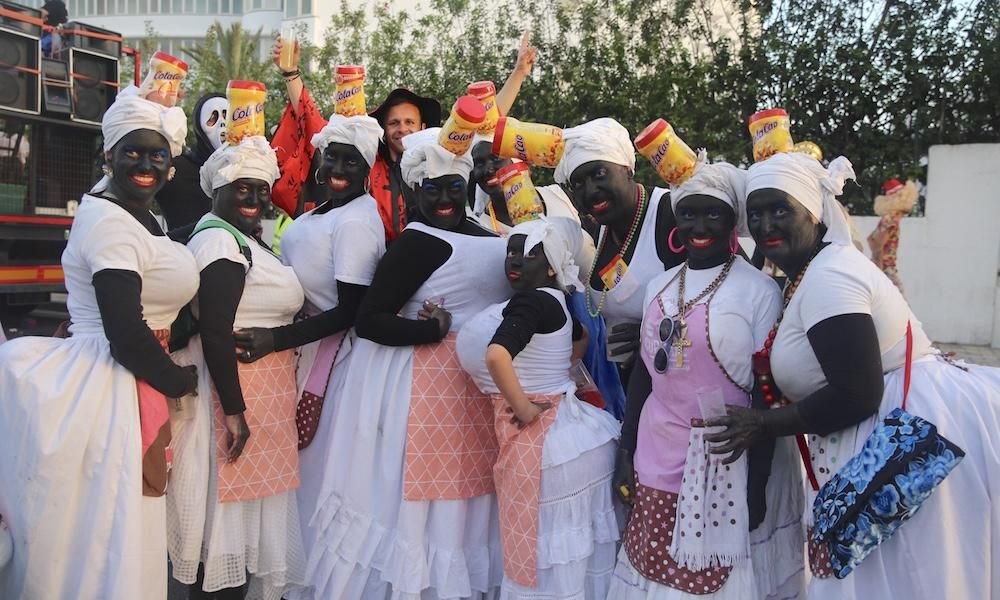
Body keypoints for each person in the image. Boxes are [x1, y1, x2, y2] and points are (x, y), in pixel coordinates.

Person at [703, 151, 1000, 599]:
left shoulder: (829, 276)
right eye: (756, 213)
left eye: (780, 210)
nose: (765, 226)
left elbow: (855, 393)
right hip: (884, 427)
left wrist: (762, 425)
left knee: (904, 575)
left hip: (898, 433)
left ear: (814, 213)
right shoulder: (807, 272)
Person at [0, 87, 198, 599]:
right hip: (108, 386)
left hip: (129, 377)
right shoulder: (112, 224)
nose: (146, 163)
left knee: (115, 516)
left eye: (158, 154)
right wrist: (180, 379)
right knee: (108, 520)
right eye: (132, 150)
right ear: (108, 155)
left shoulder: (135, 211)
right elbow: (126, 334)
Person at [300, 128, 509, 598]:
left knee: (459, 502)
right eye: (430, 188)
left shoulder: (486, 233)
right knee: (417, 508)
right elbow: (369, 319)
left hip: (467, 392)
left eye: (453, 187)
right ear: (415, 189)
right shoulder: (418, 242)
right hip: (419, 391)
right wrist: (429, 331)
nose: (442, 198)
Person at [607, 157, 805, 600]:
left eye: (713, 214)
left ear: (733, 220)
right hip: (656, 457)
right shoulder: (659, 285)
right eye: (688, 213)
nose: (699, 225)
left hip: (724, 461)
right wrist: (626, 449)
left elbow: (764, 396)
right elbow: (644, 376)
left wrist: (756, 486)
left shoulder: (757, 291)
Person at [228, 114, 387, 600]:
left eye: (350, 160)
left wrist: (276, 340)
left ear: (368, 169)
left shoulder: (359, 220)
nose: (337, 166)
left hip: (336, 363)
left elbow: (352, 311)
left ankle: (312, 583)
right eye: (330, 156)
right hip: (302, 347)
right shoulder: (320, 211)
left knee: (317, 478)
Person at [166, 137, 306, 600]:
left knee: (238, 540)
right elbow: (216, 332)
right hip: (228, 398)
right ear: (217, 191)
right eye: (243, 188)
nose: (255, 199)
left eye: (262, 190)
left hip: (257, 393)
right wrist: (234, 412)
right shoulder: (219, 243)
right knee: (223, 542)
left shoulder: (244, 239)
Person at [456, 216, 621, 599]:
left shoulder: (530, 302)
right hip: (578, 435)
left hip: (547, 445)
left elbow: (497, 355)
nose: (515, 260)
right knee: (578, 555)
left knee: (542, 551)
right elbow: (577, 342)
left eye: (529, 253)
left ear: (551, 265)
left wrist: (524, 407)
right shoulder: (558, 300)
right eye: (511, 252)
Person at [269, 30, 537, 242]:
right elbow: (317, 126)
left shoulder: (443, 161)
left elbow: (484, 123)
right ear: (384, 131)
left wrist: (518, 74)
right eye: (394, 123)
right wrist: (291, 74)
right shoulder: (369, 166)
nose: (403, 129)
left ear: (423, 128)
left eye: (410, 122)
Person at [554, 118, 685, 374]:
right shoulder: (597, 231)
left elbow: (720, 294)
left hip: (683, 384)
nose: (591, 190)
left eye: (599, 174)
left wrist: (655, 334)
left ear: (627, 168)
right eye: (578, 183)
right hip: (628, 388)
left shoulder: (671, 214)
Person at [157, 93, 228, 233]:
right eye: (212, 118)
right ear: (199, 126)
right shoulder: (177, 168)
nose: (222, 124)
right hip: (184, 251)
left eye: (227, 116)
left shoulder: (242, 169)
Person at [868, 178, 917, 295]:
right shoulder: (892, 221)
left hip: (880, 267)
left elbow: (871, 239)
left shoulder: (886, 219)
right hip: (886, 269)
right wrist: (879, 267)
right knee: (902, 305)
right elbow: (879, 244)